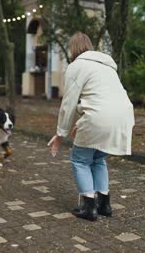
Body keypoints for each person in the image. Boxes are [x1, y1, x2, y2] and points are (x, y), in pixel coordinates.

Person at [48, 32, 135, 221]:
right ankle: (104, 204)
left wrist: (60, 135)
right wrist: (82, 122)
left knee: (80, 160)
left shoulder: (76, 66)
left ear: (72, 49)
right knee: (98, 159)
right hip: (123, 116)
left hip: (99, 118)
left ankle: (89, 207)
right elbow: (100, 98)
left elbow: (69, 103)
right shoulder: (107, 66)